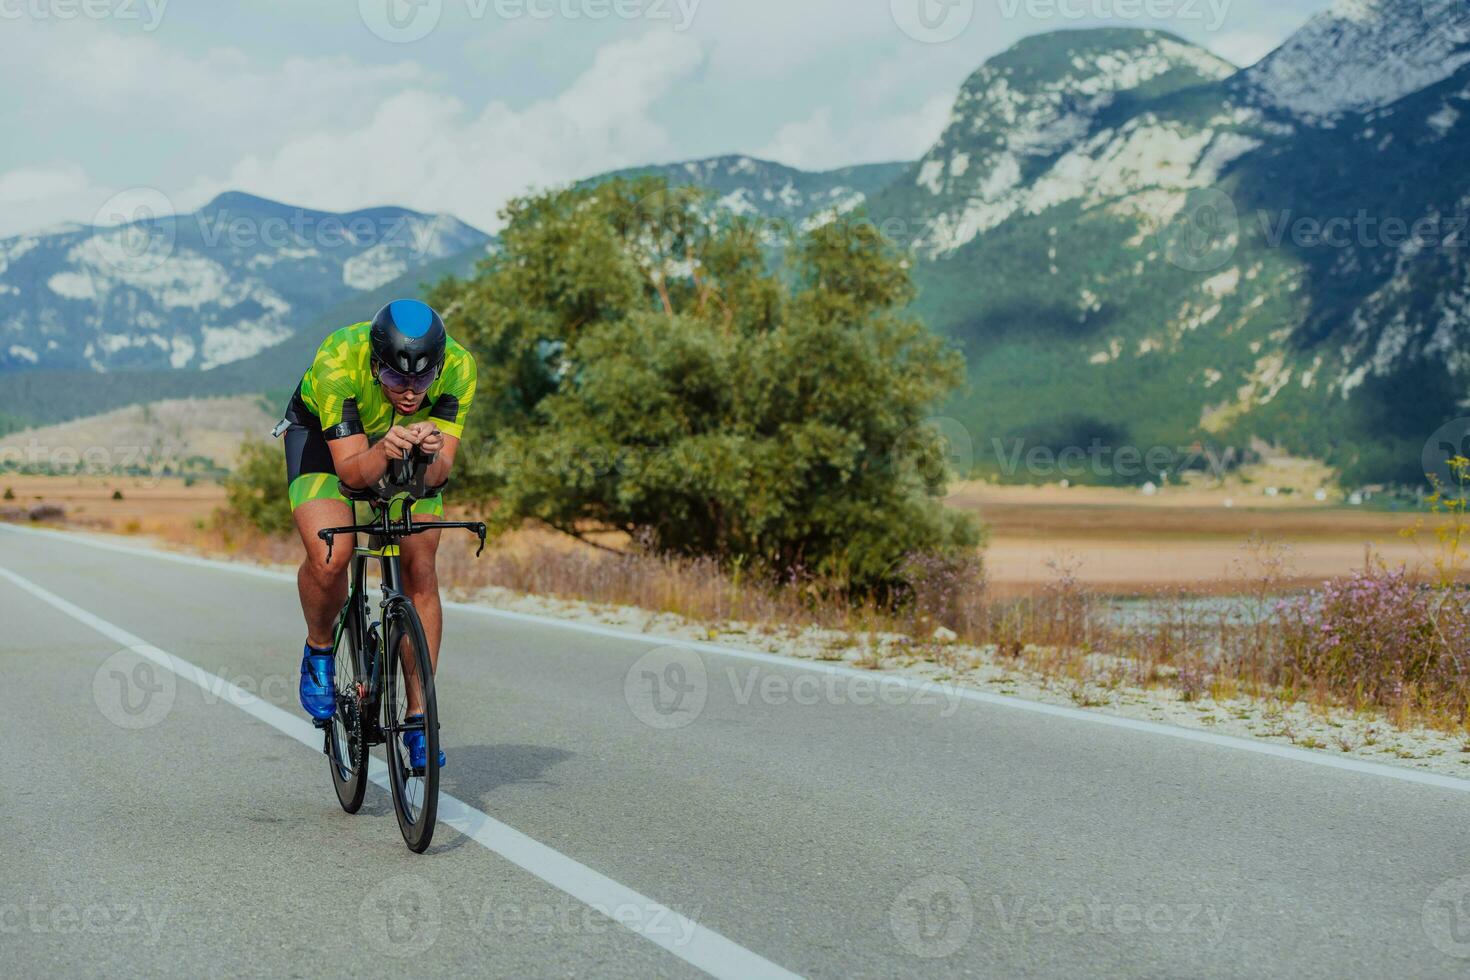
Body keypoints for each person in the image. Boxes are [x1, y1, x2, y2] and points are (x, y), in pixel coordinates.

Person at [279, 299, 476, 768]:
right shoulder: (338, 359)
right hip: (324, 446)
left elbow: (442, 470)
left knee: (420, 568)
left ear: (440, 367)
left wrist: (427, 455)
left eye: (421, 382)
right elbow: (350, 473)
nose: (409, 395)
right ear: (374, 364)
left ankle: (419, 719)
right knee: (333, 553)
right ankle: (320, 649)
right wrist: (384, 449)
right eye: (393, 379)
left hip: (403, 449)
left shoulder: (461, 369)